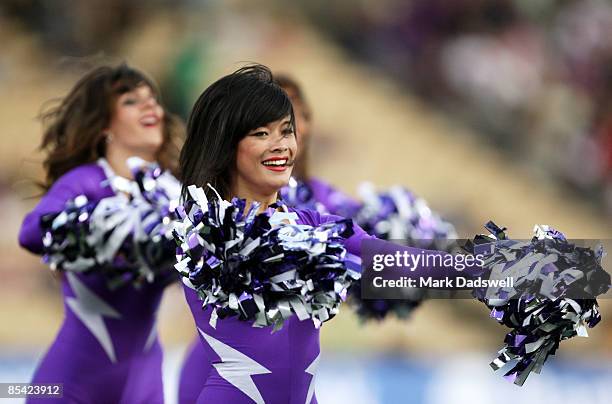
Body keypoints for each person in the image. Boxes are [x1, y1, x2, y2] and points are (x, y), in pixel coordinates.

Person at [177, 64, 470, 404]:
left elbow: (390, 259)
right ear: (227, 144)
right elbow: (261, 256)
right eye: (261, 134)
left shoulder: (314, 223)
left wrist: (512, 273)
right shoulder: (205, 228)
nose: (280, 146)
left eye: (286, 131)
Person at [18, 63, 183, 403]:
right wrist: (107, 225)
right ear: (104, 124)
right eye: (131, 101)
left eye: (153, 99)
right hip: (68, 384)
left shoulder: (173, 193)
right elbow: (32, 232)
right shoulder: (85, 182)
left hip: (145, 385)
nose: (152, 106)